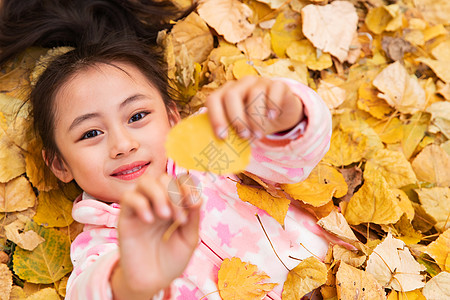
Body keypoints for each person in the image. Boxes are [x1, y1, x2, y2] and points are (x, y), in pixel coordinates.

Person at [0, 0, 333, 299]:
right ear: (59, 164)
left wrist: (283, 112)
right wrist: (132, 279)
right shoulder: (101, 249)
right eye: (91, 133)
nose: (123, 144)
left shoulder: (210, 150)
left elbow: (295, 155)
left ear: (172, 116)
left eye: (138, 116)